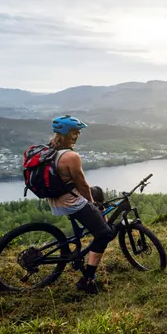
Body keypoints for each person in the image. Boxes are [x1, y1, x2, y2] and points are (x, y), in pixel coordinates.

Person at [46, 115, 116, 294]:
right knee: (105, 235)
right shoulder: (71, 156)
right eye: (75, 132)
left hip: (57, 198)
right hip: (70, 202)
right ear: (66, 133)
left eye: (78, 132)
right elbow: (82, 185)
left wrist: (94, 199)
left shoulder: (50, 149)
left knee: (97, 190)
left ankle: (99, 223)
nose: (77, 135)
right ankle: (88, 279)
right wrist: (93, 205)